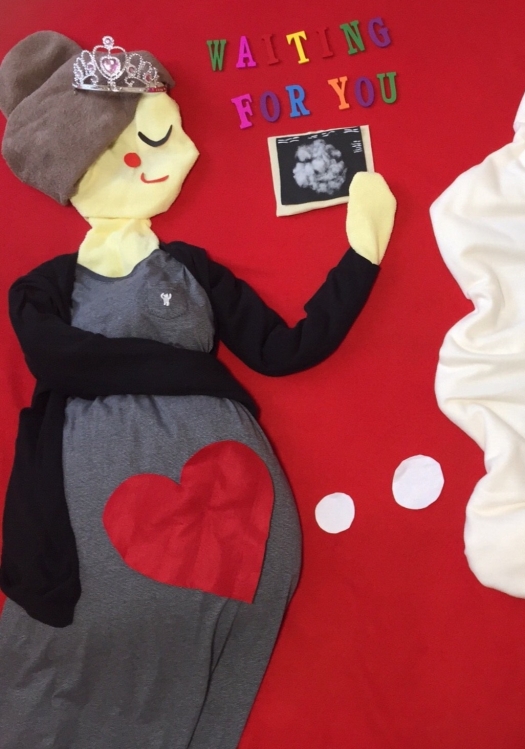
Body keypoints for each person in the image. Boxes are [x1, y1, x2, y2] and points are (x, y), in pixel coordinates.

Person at [0, 31, 395, 748]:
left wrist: (361, 258)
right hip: (95, 514)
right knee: (66, 656)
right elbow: (60, 362)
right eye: (146, 141)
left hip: (226, 501)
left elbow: (282, 350)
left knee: (210, 654)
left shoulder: (189, 267)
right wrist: (196, 373)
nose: (168, 155)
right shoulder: (42, 289)